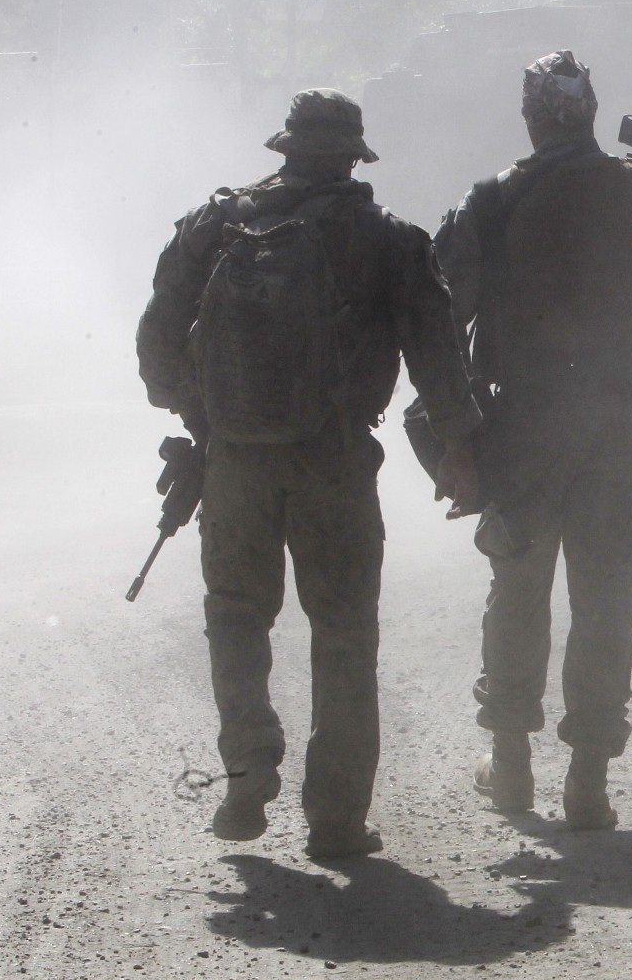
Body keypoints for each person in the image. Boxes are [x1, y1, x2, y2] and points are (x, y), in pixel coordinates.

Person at [136, 89, 481, 858]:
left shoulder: (212, 227)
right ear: (353, 159)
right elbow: (438, 358)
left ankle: (247, 776)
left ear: (285, 150)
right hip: (334, 460)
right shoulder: (389, 239)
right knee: (344, 633)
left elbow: (156, 351)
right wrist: (459, 450)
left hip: (233, 462)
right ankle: (336, 820)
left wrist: (207, 418)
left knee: (235, 617)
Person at [435, 50, 632, 829]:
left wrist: (454, 438)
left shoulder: (493, 199)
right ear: (591, 114)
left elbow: (440, 321)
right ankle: (587, 782)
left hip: (527, 425)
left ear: (531, 119)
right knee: (607, 600)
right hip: (625, 424)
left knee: (518, 591)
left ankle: (511, 768)